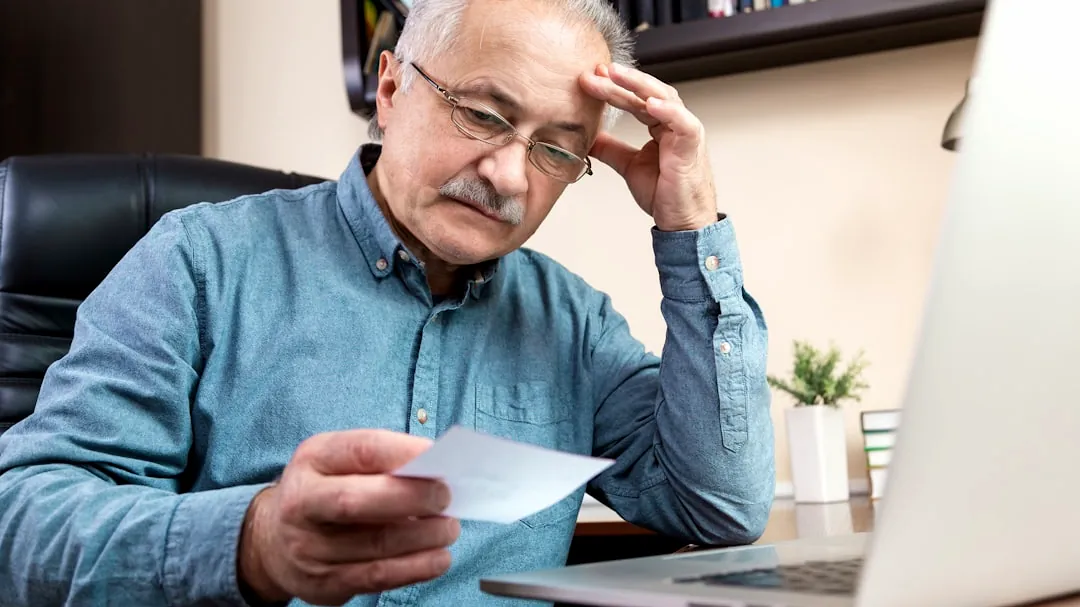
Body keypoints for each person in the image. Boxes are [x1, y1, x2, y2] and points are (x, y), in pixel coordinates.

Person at [0, 0, 775, 604]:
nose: (509, 176)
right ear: (392, 87)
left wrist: (691, 223)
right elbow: (24, 523)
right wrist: (255, 542)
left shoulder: (572, 326)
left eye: (556, 148)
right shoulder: (198, 262)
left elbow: (719, 507)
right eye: (483, 113)